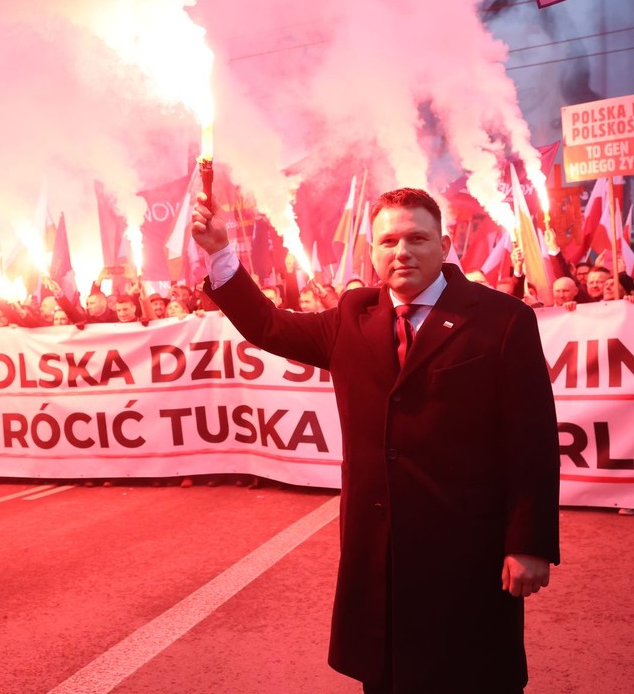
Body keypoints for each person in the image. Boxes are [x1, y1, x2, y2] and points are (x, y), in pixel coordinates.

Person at [192, 187, 559, 693]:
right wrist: (220, 252)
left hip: (467, 551)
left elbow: (531, 439)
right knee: (387, 679)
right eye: (388, 241)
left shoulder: (502, 319)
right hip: (378, 555)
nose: (401, 252)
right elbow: (269, 325)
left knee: (473, 678)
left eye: (416, 239)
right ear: (372, 251)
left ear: (444, 245)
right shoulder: (353, 315)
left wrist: (529, 542)